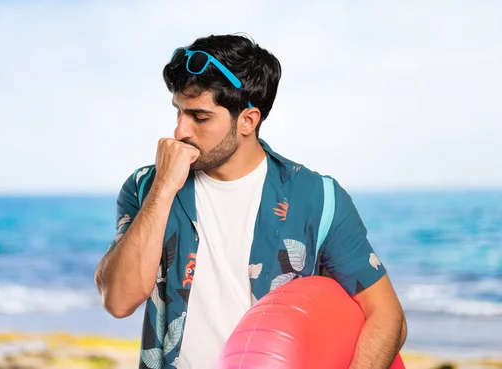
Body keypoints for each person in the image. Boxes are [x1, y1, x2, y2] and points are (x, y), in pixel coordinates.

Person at [94, 33, 407, 369]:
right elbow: (119, 301)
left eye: (199, 117)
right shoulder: (145, 187)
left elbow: (387, 316)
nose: (180, 131)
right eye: (178, 112)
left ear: (247, 120)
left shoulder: (319, 197)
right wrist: (162, 190)